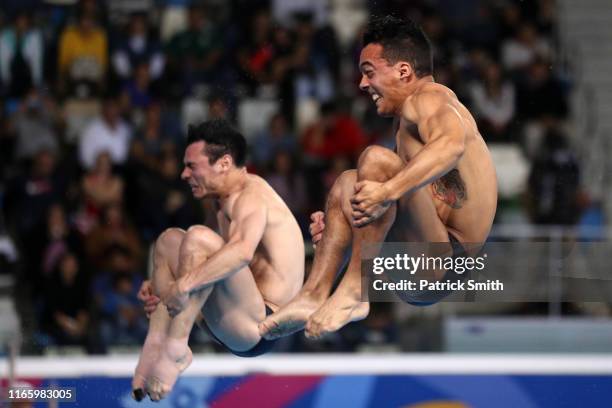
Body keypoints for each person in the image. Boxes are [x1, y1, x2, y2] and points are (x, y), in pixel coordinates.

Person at [258, 15, 498, 340]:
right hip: (421, 259)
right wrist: (340, 226)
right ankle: (313, 294)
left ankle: (357, 290)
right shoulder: (407, 124)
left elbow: (452, 146)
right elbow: (402, 209)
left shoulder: (431, 98)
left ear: (403, 71)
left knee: (375, 162)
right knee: (347, 184)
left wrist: (386, 191)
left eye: (369, 73)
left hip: (448, 260)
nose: (362, 84)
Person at [131, 119, 304, 402]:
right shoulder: (220, 200)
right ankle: (156, 343)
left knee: (198, 238)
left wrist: (181, 286)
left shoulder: (251, 195)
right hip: (231, 313)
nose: (183, 174)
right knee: (168, 240)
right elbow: (199, 259)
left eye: (192, 166)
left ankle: (175, 349)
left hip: (261, 326)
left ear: (224, 163)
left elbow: (241, 252)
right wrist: (161, 285)